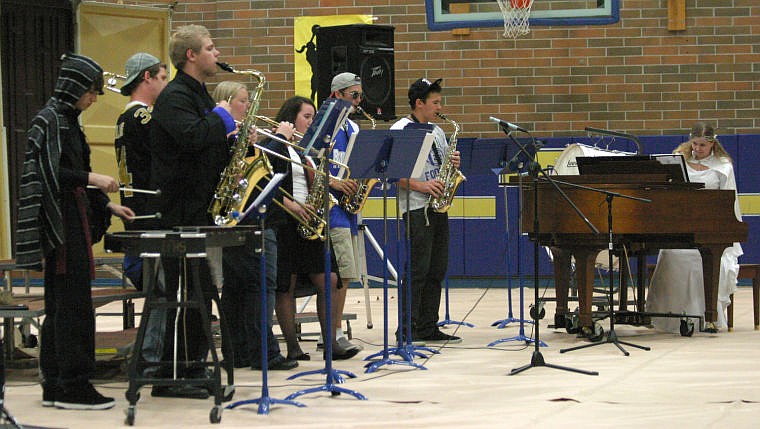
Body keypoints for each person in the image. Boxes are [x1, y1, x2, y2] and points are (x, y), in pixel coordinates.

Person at [15, 53, 134, 410]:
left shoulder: (68, 122)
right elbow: (52, 174)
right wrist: (92, 178)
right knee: (71, 307)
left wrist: (106, 204)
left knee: (66, 305)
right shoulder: (48, 121)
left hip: (74, 220)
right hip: (60, 227)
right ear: (74, 88)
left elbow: (73, 173)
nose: (93, 99)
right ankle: (72, 384)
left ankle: (55, 383)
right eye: (90, 92)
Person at [149, 24, 236, 399]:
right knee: (186, 295)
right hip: (181, 212)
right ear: (191, 55)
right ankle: (171, 376)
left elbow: (206, 142)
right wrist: (221, 118)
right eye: (210, 48)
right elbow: (191, 137)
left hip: (201, 210)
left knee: (200, 294)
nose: (216, 53)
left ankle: (192, 367)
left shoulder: (198, 94)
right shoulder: (174, 98)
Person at [210, 81, 297, 371]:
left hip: (243, 218)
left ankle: (238, 353)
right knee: (261, 286)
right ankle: (266, 353)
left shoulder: (233, 134)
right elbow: (252, 171)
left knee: (237, 288)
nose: (248, 107)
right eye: (243, 101)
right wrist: (277, 140)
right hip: (251, 218)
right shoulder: (225, 133)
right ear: (227, 102)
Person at [271, 96, 359, 361]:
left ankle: (331, 341)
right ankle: (292, 347)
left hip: (310, 221)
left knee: (330, 279)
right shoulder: (275, 145)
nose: (310, 123)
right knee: (287, 284)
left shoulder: (307, 150)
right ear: (290, 119)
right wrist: (278, 137)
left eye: (312, 118)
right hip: (286, 221)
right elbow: (270, 183)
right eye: (306, 117)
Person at [646, 122, 743, 333]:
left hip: (710, 227)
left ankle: (707, 316)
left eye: (702, 145)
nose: (697, 149)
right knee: (671, 254)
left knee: (702, 257)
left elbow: (729, 201)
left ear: (712, 144)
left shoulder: (723, 165)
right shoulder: (678, 160)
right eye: (694, 144)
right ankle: (669, 317)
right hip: (681, 227)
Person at [390, 78, 462, 344]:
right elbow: (391, 173)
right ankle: (407, 327)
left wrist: (453, 163)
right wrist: (421, 185)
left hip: (438, 207)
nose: (439, 107)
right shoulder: (401, 129)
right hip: (416, 207)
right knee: (418, 269)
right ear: (419, 103)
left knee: (436, 269)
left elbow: (443, 166)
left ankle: (428, 325)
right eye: (435, 102)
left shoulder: (438, 131)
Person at [115, 52, 169, 377]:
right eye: (162, 77)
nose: (165, 84)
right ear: (146, 78)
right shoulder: (143, 118)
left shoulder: (124, 118)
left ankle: (153, 354)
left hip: (138, 210)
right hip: (151, 213)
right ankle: (150, 358)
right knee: (160, 291)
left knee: (159, 289)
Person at [324, 72, 365, 353]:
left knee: (348, 275)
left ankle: (336, 331)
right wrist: (334, 181)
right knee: (340, 274)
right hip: (331, 208)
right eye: (354, 95)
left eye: (360, 96)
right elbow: (309, 162)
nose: (359, 101)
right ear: (337, 95)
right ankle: (334, 333)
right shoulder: (324, 124)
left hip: (349, 209)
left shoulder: (354, 129)